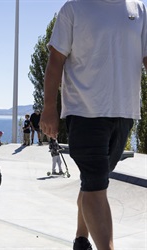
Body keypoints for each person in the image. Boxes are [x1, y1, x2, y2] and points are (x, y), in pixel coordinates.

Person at [40, 1, 147, 249]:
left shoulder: (138, 10)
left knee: (94, 182)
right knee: (96, 186)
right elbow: (56, 60)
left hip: (124, 112)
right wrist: (49, 108)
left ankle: (80, 239)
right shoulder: (74, 9)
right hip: (84, 111)